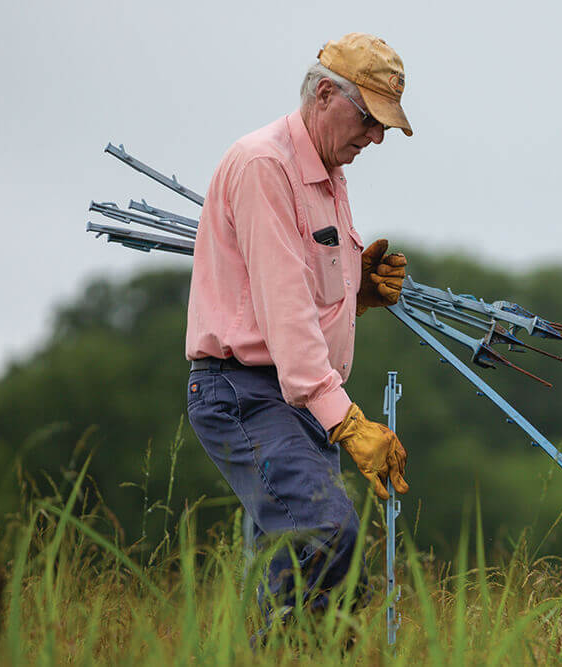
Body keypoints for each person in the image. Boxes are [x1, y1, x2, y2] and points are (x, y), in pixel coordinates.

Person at [184, 32, 413, 623]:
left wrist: (355, 293)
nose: (376, 137)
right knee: (328, 536)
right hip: (246, 392)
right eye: (368, 119)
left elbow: (299, 296)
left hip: (294, 400)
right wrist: (349, 422)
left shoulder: (328, 172)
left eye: (384, 125)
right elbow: (285, 316)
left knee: (301, 576)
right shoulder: (266, 165)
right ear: (323, 94)